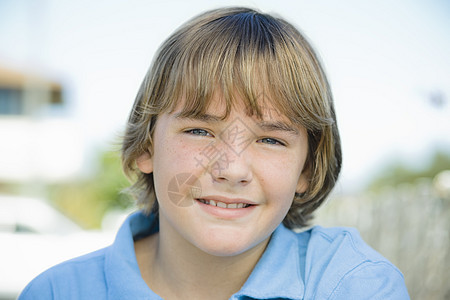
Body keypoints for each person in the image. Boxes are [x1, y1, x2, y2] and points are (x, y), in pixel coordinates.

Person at [19, 7, 409, 299]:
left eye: (270, 139)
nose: (232, 168)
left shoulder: (351, 284)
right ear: (146, 147)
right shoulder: (57, 292)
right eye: (201, 131)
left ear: (307, 168)